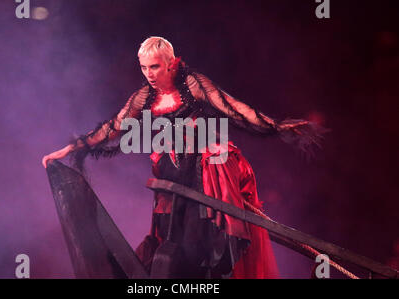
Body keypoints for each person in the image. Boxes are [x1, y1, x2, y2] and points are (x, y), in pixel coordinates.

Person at [42, 36, 325, 278]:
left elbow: (235, 109)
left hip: (205, 170)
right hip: (174, 174)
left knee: (202, 245)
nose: (149, 74)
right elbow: (114, 126)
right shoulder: (145, 96)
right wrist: (72, 147)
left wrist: (276, 126)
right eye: (143, 68)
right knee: (173, 245)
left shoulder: (193, 84)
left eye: (154, 67)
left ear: (171, 63)